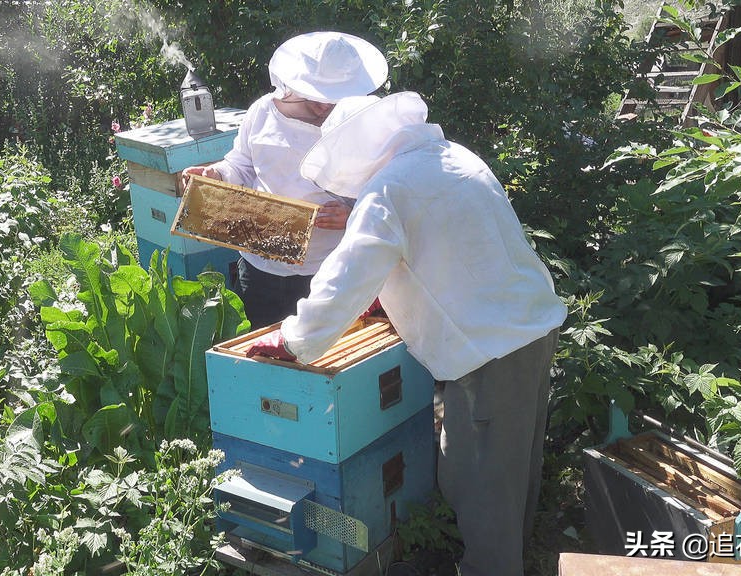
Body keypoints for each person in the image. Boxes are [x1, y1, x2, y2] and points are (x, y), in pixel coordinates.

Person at [246, 92, 568, 576]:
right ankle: (516, 553)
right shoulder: (454, 157)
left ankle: (493, 567)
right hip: (531, 327)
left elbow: (346, 277)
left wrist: (295, 339)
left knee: (480, 485)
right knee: (514, 468)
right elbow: (452, 249)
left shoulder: (388, 188)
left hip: (491, 351)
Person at [181, 31, 388, 328]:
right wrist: (217, 174)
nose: (323, 106)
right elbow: (241, 163)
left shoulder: (363, 125)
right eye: (316, 95)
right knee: (260, 356)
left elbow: (385, 191)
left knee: (322, 361)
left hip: (329, 267)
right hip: (260, 263)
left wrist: (352, 214)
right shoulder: (263, 112)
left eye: (334, 98)